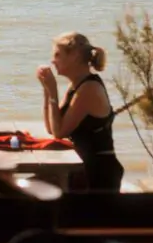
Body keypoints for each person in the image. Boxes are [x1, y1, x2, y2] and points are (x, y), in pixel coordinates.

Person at [36, 32, 123, 191]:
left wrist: (53, 91)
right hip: (82, 168)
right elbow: (51, 127)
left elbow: (59, 132)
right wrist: (47, 91)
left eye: (57, 55)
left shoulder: (89, 89)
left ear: (74, 56)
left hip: (98, 174)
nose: (52, 61)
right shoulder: (76, 85)